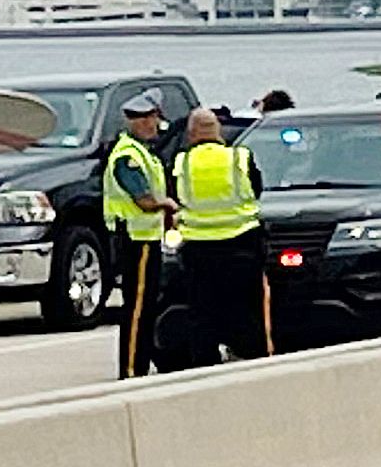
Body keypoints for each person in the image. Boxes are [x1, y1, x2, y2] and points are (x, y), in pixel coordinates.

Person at [168, 106, 272, 365]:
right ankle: (252, 357)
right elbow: (256, 190)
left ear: (191, 134)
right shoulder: (239, 158)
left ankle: (205, 363)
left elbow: (175, 197)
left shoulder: (182, 163)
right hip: (242, 243)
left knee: (202, 313)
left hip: (199, 248)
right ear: (219, 132)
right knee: (247, 308)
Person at [103, 92, 175, 378]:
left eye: (153, 118)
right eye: (148, 119)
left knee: (146, 307)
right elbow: (143, 200)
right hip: (135, 239)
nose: (153, 124)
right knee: (137, 309)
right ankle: (132, 368)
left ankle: (143, 362)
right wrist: (168, 205)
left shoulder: (142, 152)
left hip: (146, 238)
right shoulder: (128, 157)